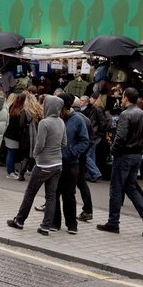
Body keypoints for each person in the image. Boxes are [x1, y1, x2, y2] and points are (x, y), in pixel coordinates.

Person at [96, 88, 143, 236]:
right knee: (130, 188)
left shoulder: (125, 114)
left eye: (122, 96)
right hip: (137, 155)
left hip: (124, 155)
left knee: (116, 189)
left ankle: (113, 222)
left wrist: (113, 149)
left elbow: (121, 136)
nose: (121, 99)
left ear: (126, 98)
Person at [7, 95, 66, 234]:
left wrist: (35, 154)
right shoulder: (61, 122)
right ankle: (45, 226)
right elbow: (64, 143)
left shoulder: (44, 123)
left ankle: (19, 221)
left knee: (30, 193)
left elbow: (40, 144)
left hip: (43, 164)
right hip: (57, 164)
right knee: (51, 196)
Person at [53, 94, 90, 234]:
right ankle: (55, 222)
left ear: (65, 107)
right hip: (55, 162)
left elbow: (85, 141)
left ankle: (72, 225)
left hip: (70, 163)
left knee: (69, 195)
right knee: (54, 193)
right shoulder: (57, 119)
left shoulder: (78, 120)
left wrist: (71, 153)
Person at [18, 92, 43, 181]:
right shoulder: (39, 110)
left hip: (27, 135)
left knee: (25, 155)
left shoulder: (24, 111)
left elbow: (21, 124)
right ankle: (35, 173)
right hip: (37, 134)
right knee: (36, 154)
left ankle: (21, 174)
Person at [83, 93, 106, 182]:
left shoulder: (96, 109)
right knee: (91, 154)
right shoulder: (98, 108)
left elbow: (102, 123)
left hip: (94, 135)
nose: (90, 100)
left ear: (95, 99)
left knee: (86, 155)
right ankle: (92, 175)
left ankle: (95, 173)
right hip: (96, 135)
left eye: (91, 98)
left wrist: (98, 133)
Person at [3, 93, 26, 179]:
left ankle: (11, 169)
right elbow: (19, 125)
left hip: (9, 134)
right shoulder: (20, 111)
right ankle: (10, 171)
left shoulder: (12, 107)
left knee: (10, 152)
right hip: (14, 135)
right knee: (11, 153)